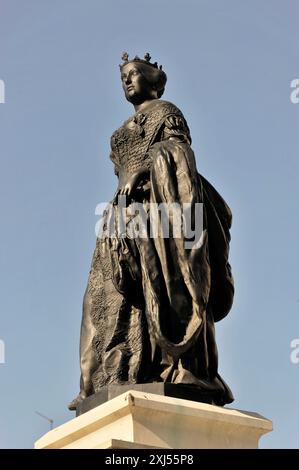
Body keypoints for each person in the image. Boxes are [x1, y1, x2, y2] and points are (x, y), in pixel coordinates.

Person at [68, 53, 234, 411]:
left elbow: (179, 153)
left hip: (157, 214)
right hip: (120, 218)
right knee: (104, 293)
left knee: (155, 288)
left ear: (154, 81)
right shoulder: (120, 132)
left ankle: (166, 368)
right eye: (123, 76)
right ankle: (104, 377)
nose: (127, 81)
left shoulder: (165, 112)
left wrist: (142, 172)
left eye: (135, 74)